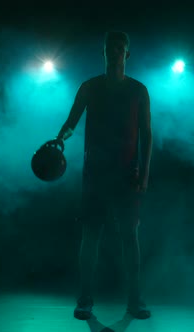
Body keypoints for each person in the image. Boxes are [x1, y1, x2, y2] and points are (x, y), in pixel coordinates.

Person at [55, 31, 152, 320]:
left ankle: (135, 300)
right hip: (96, 174)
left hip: (126, 175)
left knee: (129, 237)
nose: (115, 53)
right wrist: (60, 139)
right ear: (104, 53)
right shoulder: (90, 87)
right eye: (111, 48)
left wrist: (144, 173)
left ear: (127, 54)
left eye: (120, 48)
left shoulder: (138, 90)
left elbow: (146, 134)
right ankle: (85, 298)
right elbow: (71, 122)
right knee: (91, 236)